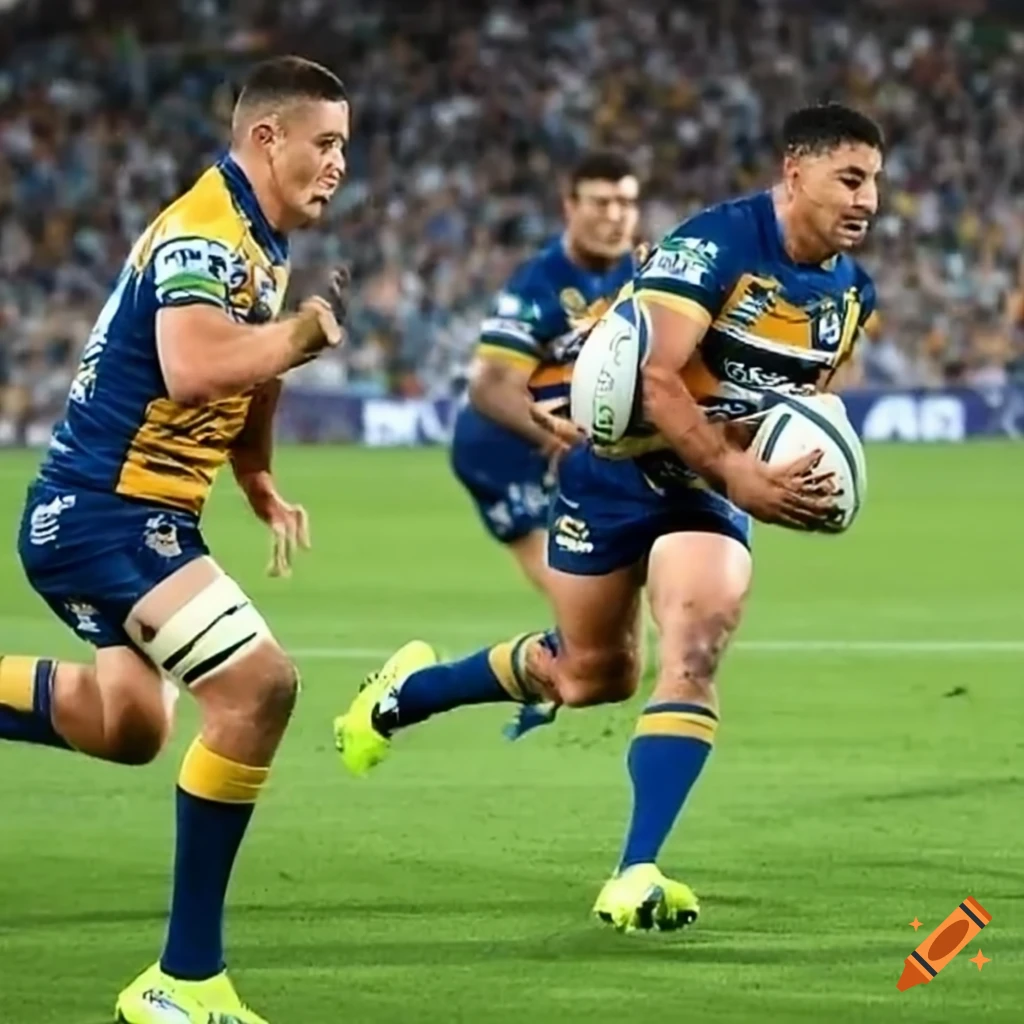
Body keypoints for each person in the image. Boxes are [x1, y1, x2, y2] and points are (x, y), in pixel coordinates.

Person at [334, 103, 882, 933]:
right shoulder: (718, 245)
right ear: (795, 171)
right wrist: (736, 463)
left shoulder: (850, 295)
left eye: (875, 181)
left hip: (704, 493)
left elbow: (800, 405)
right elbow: (658, 379)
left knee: (694, 648)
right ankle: (404, 696)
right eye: (851, 177)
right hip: (613, 476)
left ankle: (637, 871)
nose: (868, 198)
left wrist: (779, 474)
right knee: (591, 674)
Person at [0, 56, 349, 1024]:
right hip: (103, 510)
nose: (338, 164)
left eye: (346, 148)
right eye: (324, 143)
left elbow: (253, 371)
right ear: (265, 137)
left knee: (129, 726)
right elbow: (199, 366)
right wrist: (297, 336)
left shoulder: (257, 236)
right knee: (257, 684)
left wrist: (257, 476)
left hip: (133, 512)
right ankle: (181, 980)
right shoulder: (204, 232)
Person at [450, 150, 640, 594]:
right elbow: (489, 387)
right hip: (503, 449)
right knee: (585, 603)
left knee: (624, 598)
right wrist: (557, 438)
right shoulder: (539, 285)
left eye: (625, 203)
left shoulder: (640, 272)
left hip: (578, 446)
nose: (614, 216)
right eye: (600, 203)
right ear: (570, 207)